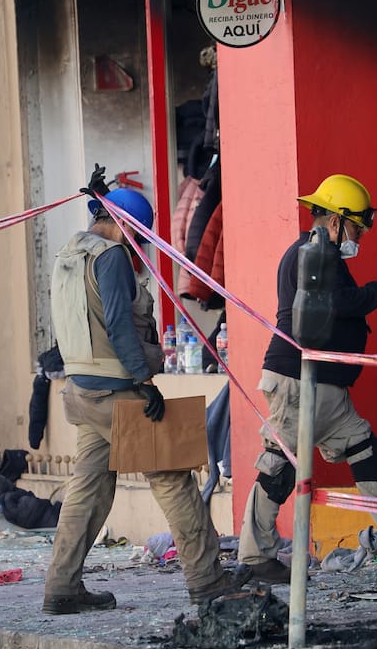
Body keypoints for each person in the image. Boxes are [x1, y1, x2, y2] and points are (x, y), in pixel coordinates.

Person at [44, 183, 251, 614]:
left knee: (87, 488)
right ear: (124, 225)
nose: (138, 247)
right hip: (118, 392)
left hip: (82, 392)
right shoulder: (111, 255)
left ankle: (62, 586)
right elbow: (120, 323)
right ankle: (208, 581)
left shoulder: (69, 254)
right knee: (173, 479)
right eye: (138, 237)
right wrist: (144, 381)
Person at [239, 174, 377, 583]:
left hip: (325, 385)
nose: (359, 235)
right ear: (337, 219)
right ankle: (255, 557)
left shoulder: (318, 254)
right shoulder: (314, 254)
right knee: (279, 466)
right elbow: (340, 303)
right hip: (300, 381)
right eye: (356, 225)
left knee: (365, 451)